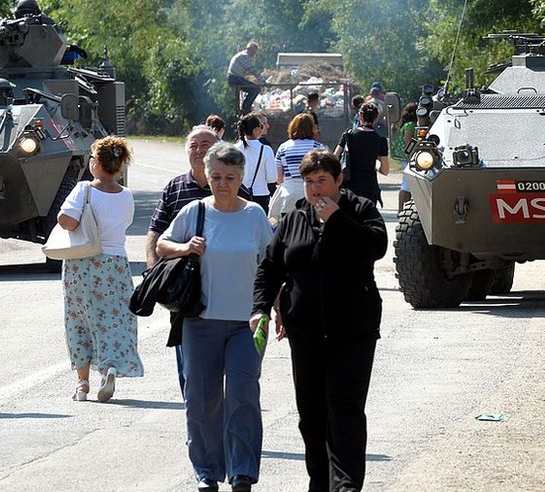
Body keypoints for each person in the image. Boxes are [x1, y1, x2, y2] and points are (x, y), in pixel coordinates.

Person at [250, 149, 388, 492]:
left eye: (322, 181)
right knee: (311, 416)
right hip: (306, 333)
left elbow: (376, 246)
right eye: (309, 183)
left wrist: (337, 219)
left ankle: (346, 486)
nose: (315, 191)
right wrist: (261, 308)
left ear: (339, 181)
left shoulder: (361, 210)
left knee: (344, 409)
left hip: (353, 331)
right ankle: (320, 483)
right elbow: (270, 268)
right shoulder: (295, 218)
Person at [157, 144, 273, 492]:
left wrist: (272, 309)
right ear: (207, 177)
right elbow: (163, 243)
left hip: (247, 323)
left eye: (231, 178)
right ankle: (206, 472)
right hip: (200, 321)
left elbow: (272, 265)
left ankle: (242, 473)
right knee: (202, 400)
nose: (223, 184)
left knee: (242, 394)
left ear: (241, 178)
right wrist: (185, 247)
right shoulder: (194, 211)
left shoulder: (254, 215)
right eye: (217, 177)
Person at [146, 127, 252, 395]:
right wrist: (154, 270)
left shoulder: (244, 196)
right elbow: (156, 232)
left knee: (234, 370)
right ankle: (194, 408)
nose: (198, 150)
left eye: (205, 144)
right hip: (186, 290)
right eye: (193, 145)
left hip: (230, 296)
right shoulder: (174, 187)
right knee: (190, 365)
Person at [57, 135, 142, 402]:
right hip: (116, 264)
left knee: (80, 320)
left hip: (83, 263)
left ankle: (82, 383)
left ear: (96, 163)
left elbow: (66, 222)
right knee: (113, 319)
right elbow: (123, 225)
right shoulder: (126, 196)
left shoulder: (84, 189)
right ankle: (110, 367)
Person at [268, 113, 326, 224]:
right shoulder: (317, 147)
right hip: (312, 194)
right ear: (312, 128)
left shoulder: (283, 147)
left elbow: (278, 177)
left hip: (288, 194)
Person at [334, 102, 390, 205]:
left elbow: (334, 158)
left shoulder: (348, 135)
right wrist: (375, 166)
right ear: (376, 118)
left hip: (348, 186)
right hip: (369, 188)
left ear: (360, 116)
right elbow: (385, 171)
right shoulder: (380, 140)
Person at [235, 113, 276, 213]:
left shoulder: (234, 149)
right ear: (256, 129)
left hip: (239, 193)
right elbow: (272, 177)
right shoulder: (266, 150)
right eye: (261, 126)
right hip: (260, 195)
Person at [389, 102, 417, 211]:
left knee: (408, 185)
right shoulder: (410, 125)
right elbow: (408, 142)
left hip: (408, 157)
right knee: (406, 184)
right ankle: (401, 210)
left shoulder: (409, 123)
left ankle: (405, 210)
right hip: (407, 157)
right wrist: (411, 157)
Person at [227, 42, 266, 115]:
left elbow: (246, 70)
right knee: (255, 88)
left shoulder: (241, 55)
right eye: (253, 51)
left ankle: (246, 107)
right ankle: (245, 108)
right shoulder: (244, 56)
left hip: (235, 78)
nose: (254, 54)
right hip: (235, 78)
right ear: (249, 49)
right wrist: (262, 80)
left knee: (253, 88)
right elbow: (252, 69)